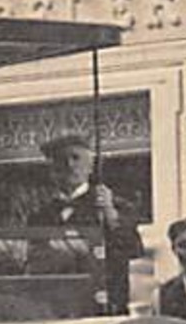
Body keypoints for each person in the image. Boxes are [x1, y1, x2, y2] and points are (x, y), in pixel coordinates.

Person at [27, 134, 143, 314]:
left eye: (76, 158)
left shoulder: (115, 206)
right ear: (52, 170)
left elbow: (133, 249)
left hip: (103, 303)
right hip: (56, 306)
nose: (69, 165)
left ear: (90, 166)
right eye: (61, 160)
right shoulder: (40, 216)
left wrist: (111, 214)